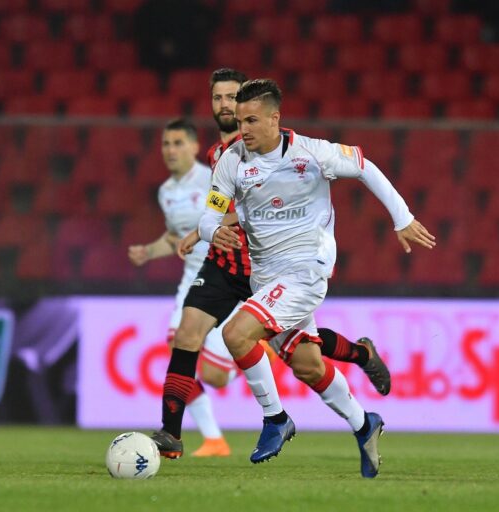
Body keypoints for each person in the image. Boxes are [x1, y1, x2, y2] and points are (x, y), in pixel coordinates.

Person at [151, 69, 395, 463]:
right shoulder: (223, 158)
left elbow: (261, 205)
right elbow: (224, 211)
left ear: (263, 113)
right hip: (228, 265)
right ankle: (171, 433)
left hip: (279, 266)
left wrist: (403, 219)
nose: (225, 105)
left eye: (232, 98)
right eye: (217, 98)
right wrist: (207, 230)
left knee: (275, 349)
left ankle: (291, 410)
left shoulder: (298, 153)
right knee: (195, 337)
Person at [196, 79, 435, 477]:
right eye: (239, 121)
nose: (243, 130)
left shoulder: (312, 152)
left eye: (252, 120)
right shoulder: (231, 162)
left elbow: (365, 168)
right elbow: (210, 214)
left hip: (307, 269)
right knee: (307, 364)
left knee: (236, 334)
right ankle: (364, 423)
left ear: (275, 119)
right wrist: (212, 231)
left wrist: (403, 219)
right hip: (266, 278)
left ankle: (275, 419)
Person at [127, 118, 232, 457]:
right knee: (178, 350)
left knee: (215, 376)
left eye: (177, 143)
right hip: (191, 278)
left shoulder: (213, 178)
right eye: (165, 144)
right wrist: (148, 252)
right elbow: (175, 238)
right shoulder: (166, 192)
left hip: (223, 275)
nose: (170, 150)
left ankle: (260, 354)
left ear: (194, 146)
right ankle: (213, 440)